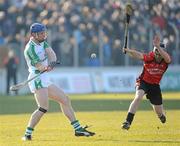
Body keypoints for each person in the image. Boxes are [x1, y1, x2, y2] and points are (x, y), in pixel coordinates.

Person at [22, 23, 95, 141]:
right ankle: (27, 133)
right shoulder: (30, 49)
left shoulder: (43, 42)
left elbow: (51, 53)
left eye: (44, 32)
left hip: (44, 77)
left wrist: (52, 62)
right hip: (37, 78)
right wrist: (46, 68)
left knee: (65, 99)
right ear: (34, 35)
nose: (44, 34)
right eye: (41, 33)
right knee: (43, 108)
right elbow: (39, 66)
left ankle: (77, 129)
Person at [121, 35, 171, 130]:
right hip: (143, 81)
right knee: (138, 97)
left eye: (160, 52)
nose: (158, 55)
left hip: (155, 86)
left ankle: (161, 116)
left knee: (159, 111)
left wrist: (159, 47)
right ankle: (128, 121)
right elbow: (138, 55)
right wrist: (128, 51)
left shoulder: (166, 60)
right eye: (156, 51)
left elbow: (168, 59)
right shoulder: (150, 57)